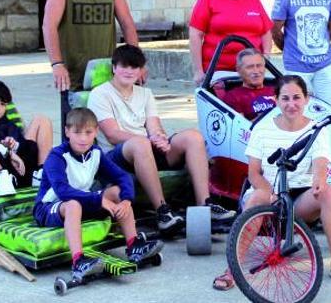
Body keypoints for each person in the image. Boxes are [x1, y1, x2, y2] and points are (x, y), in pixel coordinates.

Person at [212, 75, 331, 291]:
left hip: (298, 200)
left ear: (306, 99)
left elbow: (321, 162)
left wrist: (320, 179)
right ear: (275, 100)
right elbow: (254, 173)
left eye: (296, 98)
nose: (291, 104)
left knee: (329, 192)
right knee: (258, 196)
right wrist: (268, 191)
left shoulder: (317, 129)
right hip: (268, 197)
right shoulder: (262, 130)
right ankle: (232, 269)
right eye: (285, 98)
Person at [87, 45, 234, 233]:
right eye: (124, 66)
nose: (129, 71)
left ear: (141, 70)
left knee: (193, 137)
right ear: (114, 67)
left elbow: (154, 125)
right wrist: (148, 140)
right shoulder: (100, 93)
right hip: (116, 157)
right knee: (140, 143)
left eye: (134, 67)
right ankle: (162, 211)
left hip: (146, 150)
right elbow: (112, 134)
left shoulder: (145, 94)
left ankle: (205, 205)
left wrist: (160, 138)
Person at [34, 108, 163, 282]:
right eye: (77, 132)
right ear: (67, 132)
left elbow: (121, 176)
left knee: (117, 191)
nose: (83, 138)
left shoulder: (95, 153)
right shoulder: (56, 156)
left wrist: (126, 200)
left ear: (96, 131)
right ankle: (78, 261)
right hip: (50, 207)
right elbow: (62, 191)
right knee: (73, 204)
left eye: (88, 132)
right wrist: (98, 199)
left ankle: (134, 245)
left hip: (82, 201)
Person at [189, 0, 273, 85]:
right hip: (218, 71)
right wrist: (198, 71)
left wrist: (266, 56)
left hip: (251, 71)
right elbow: (195, 34)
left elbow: (266, 31)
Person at [221, 48, 276, 120]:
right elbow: (241, 128)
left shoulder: (276, 91)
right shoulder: (233, 97)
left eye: (259, 66)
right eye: (250, 67)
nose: (256, 71)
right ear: (239, 70)